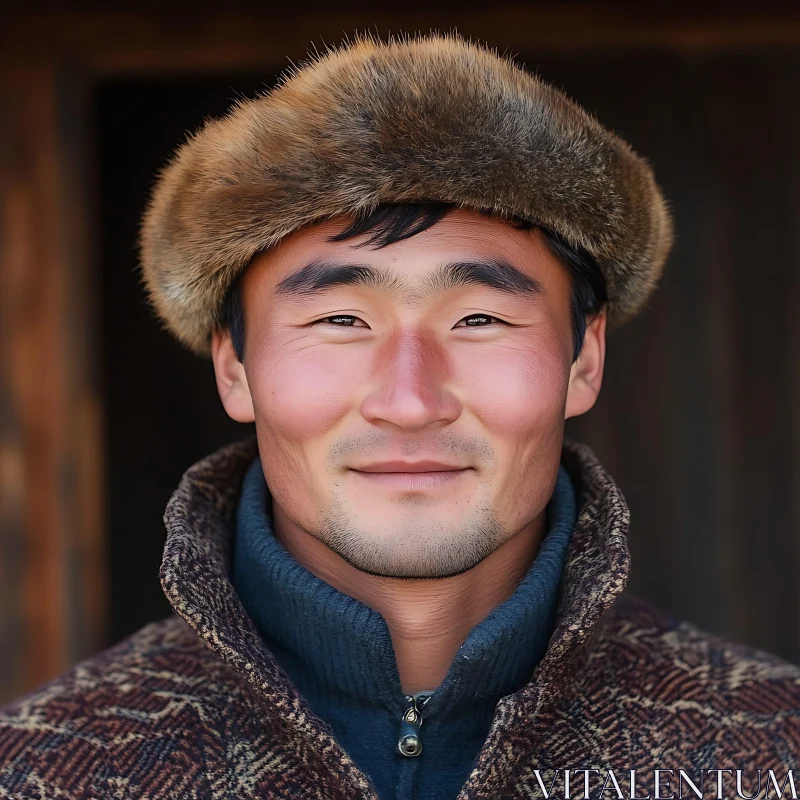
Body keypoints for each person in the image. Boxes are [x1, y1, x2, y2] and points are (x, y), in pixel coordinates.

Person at [1, 31, 798, 800]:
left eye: (479, 320)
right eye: (341, 321)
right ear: (233, 367)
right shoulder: (40, 771)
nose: (411, 400)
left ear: (584, 359)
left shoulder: (768, 749)